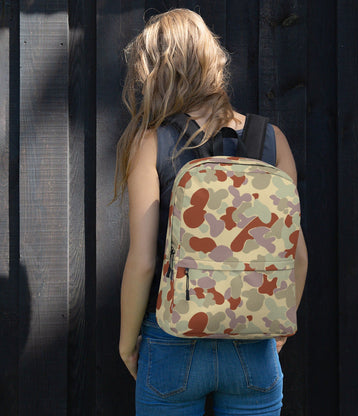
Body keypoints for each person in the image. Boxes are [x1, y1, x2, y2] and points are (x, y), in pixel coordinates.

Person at [112, 8, 308, 416]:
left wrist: (128, 344)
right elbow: (298, 256)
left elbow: (143, 262)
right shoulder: (272, 140)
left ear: (156, 73)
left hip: (172, 337)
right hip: (253, 341)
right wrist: (279, 330)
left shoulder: (151, 142)